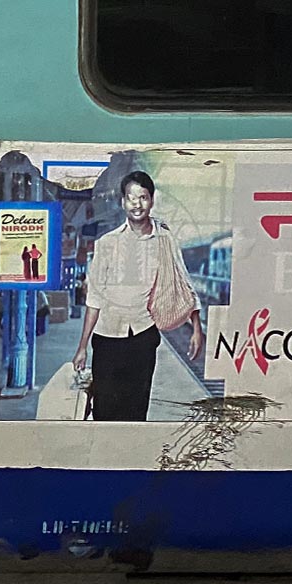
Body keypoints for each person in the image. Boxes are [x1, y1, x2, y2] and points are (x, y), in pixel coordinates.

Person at [69, 170, 206, 421]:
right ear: (123, 202)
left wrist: (196, 327)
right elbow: (95, 298)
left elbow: (182, 281)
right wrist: (82, 347)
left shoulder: (164, 239)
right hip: (107, 336)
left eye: (143, 197)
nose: (137, 204)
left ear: (151, 201)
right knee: (104, 410)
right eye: (131, 198)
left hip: (143, 336)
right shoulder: (107, 243)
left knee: (136, 410)